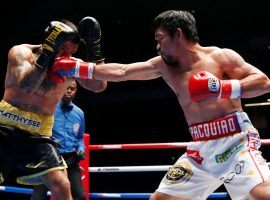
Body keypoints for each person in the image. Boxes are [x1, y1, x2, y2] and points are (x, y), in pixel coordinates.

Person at [51, 10, 270, 200]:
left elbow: (263, 82)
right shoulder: (164, 65)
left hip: (236, 143)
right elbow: (122, 72)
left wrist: (221, 88)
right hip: (201, 150)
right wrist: (77, 67)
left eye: (160, 38)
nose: (157, 47)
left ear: (178, 34)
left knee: (262, 195)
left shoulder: (221, 57)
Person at [0, 17, 106, 200]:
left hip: (39, 134)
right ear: (51, 40)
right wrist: (48, 52)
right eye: (63, 48)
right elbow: (26, 86)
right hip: (4, 126)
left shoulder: (69, 64)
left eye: (71, 52)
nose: (66, 56)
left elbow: (98, 86)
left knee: (61, 184)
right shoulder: (21, 53)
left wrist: (94, 49)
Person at [31, 79, 86, 200]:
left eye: (72, 89)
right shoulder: (49, 108)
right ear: (62, 88)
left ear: (76, 91)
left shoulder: (79, 113)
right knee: (38, 196)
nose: (69, 91)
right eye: (67, 88)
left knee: (80, 195)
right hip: (49, 157)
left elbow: (80, 137)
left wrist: (81, 147)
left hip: (70, 159)